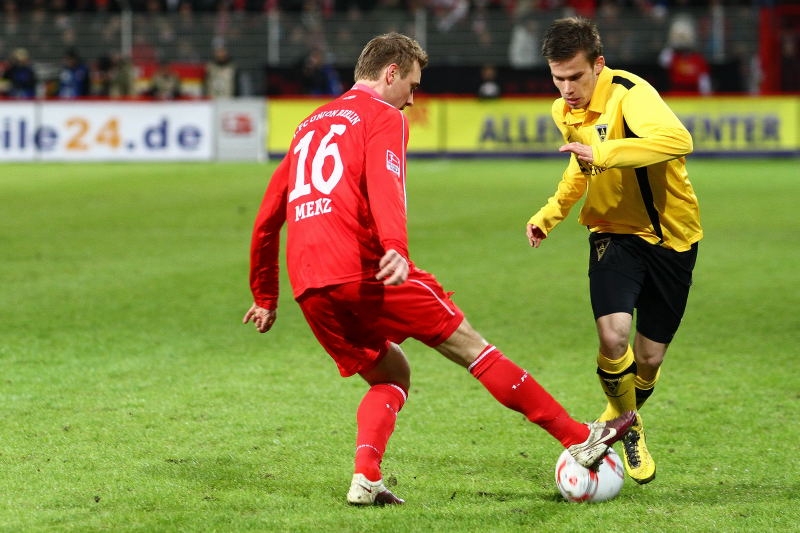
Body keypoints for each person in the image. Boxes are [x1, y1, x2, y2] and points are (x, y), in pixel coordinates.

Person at [243, 31, 635, 506]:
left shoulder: (308, 125)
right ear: (390, 73)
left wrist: (266, 296)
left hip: (310, 286)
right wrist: (394, 247)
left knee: (391, 375)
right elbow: (386, 183)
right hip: (366, 269)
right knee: (473, 348)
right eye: (411, 85)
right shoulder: (383, 114)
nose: (412, 99)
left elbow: (266, 220)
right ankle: (578, 437)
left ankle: (366, 478)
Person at [525, 17, 702, 485]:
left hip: (671, 236)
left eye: (575, 77)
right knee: (613, 336)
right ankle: (630, 426)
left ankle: (616, 416)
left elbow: (678, 141)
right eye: (558, 78)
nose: (567, 89)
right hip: (612, 232)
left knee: (649, 359)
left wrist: (605, 153)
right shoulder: (564, 110)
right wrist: (549, 214)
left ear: (598, 65)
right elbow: (579, 168)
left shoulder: (630, 93)